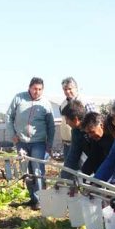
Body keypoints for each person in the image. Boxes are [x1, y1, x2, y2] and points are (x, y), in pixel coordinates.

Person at [6, 77, 55, 208]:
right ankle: (33, 198)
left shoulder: (45, 104)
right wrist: (13, 134)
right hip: (21, 141)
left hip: (38, 142)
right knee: (26, 171)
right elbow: (9, 117)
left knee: (38, 170)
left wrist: (49, 144)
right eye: (34, 89)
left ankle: (41, 200)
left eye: (40, 89)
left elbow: (51, 126)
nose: (37, 92)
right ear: (29, 87)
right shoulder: (19, 98)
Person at [59, 77, 95, 165]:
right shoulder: (63, 104)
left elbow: (94, 121)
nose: (67, 91)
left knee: (83, 171)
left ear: (76, 88)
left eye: (70, 89)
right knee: (69, 171)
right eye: (65, 89)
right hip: (67, 144)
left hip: (82, 142)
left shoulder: (85, 102)